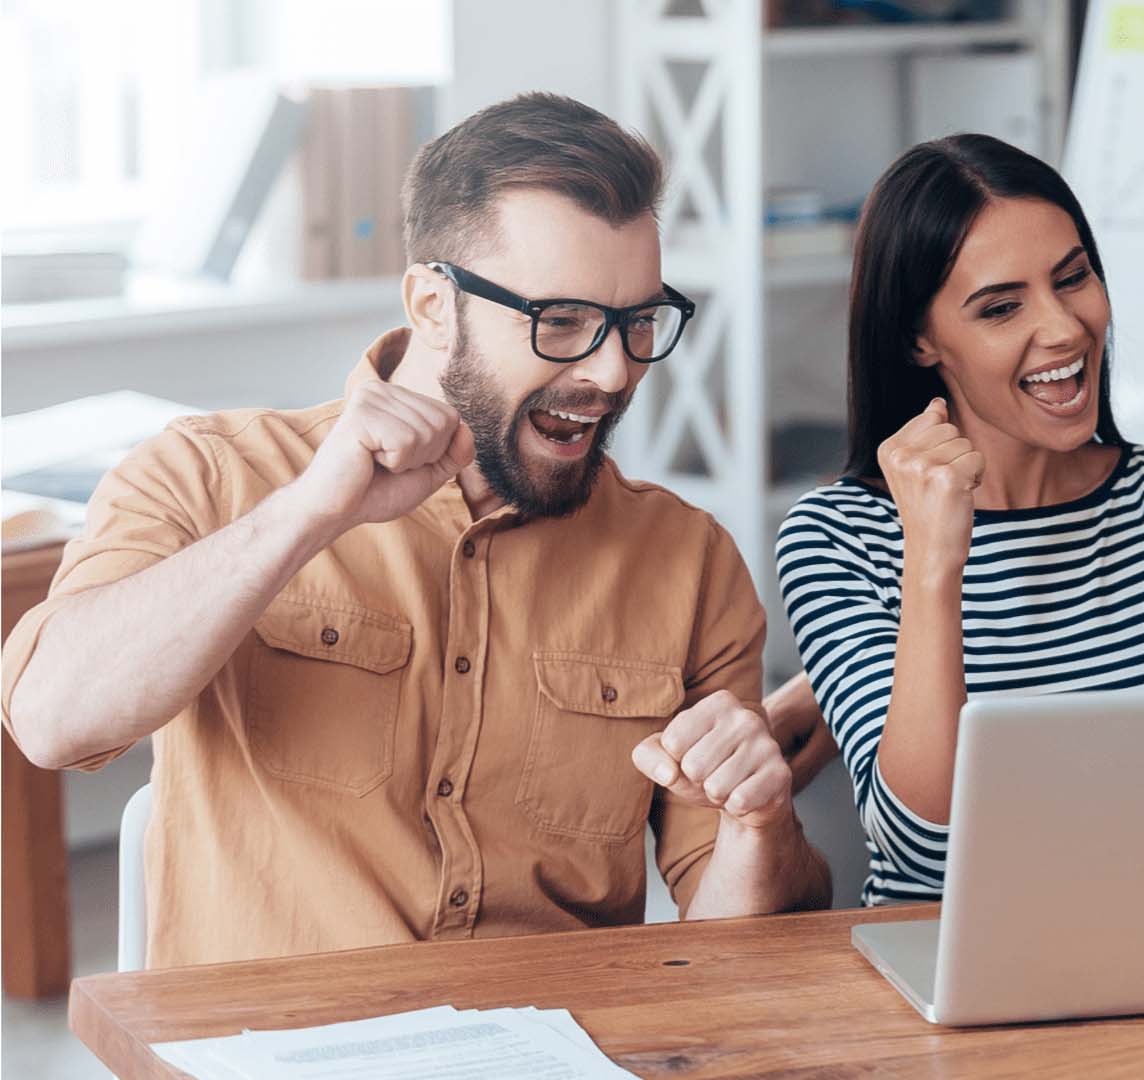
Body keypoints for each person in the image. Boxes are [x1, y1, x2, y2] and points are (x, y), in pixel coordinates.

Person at [0, 93, 829, 968]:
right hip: (270, 1051)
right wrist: (305, 515)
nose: (613, 370)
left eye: (638, 322)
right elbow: (52, 723)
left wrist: (756, 821)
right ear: (434, 306)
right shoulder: (212, 476)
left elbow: (733, 951)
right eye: (563, 323)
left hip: (554, 1048)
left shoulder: (687, 560)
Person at [773, 134, 1144, 905]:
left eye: (1074, 279)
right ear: (919, 339)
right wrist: (933, 563)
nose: (1064, 328)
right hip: (948, 979)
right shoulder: (838, 539)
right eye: (1002, 307)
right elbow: (928, 848)